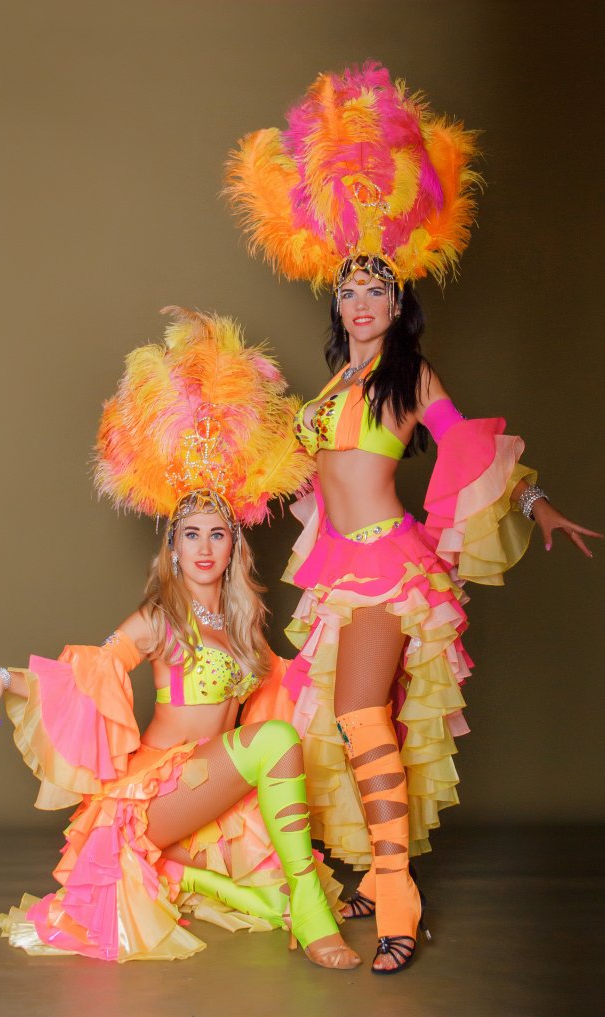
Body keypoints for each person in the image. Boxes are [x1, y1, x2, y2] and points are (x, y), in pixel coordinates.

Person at [225, 62, 602, 973]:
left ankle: (397, 896)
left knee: (361, 710)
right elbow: (296, 475)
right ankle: (369, 869)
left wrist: (539, 502)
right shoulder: (331, 387)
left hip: (392, 567)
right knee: (342, 721)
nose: (361, 304)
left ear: (399, 305)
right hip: (334, 571)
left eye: (377, 292)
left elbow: (469, 445)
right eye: (349, 292)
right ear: (339, 304)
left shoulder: (409, 378)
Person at [0, 308, 360, 969]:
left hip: (209, 787)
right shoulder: (161, 617)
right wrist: (2, 678)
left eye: (216, 534)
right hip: (156, 796)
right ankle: (310, 914)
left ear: (234, 546)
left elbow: (291, 689)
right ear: (173, 546)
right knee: (275, 740)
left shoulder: (244, 622)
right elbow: (87, 675)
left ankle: (212, 884)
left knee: (278, 774)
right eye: (190, 534)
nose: (204, 547)